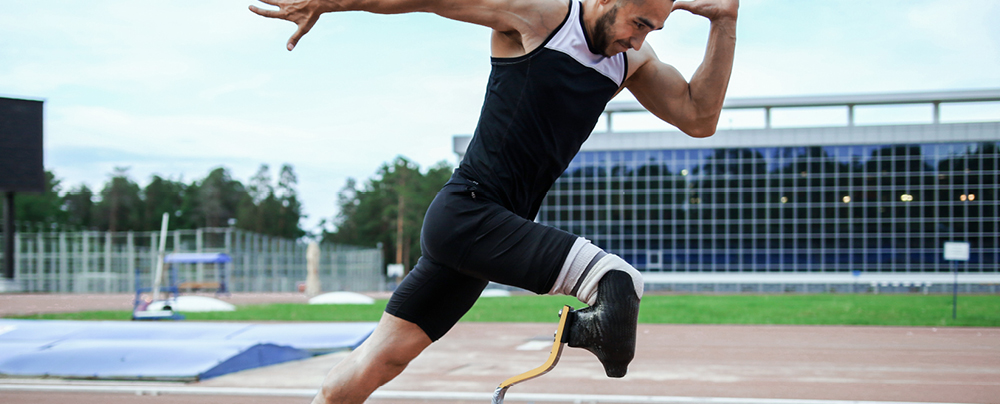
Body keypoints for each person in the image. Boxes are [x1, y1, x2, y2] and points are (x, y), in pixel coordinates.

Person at [251, 0, 737, 402]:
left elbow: (699, 116)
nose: (639, 38)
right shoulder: (541, 16)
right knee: (617, 282)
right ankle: (583, 330)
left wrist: (724, 22)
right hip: (469, 213)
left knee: (380, 359)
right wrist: (330, 3)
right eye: (639, 23)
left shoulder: (630, 60)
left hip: (487, 230)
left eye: (653, 28)